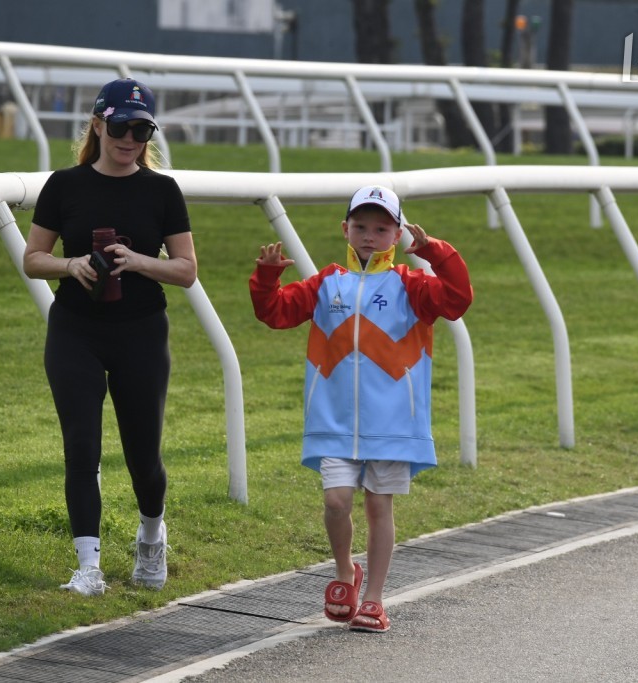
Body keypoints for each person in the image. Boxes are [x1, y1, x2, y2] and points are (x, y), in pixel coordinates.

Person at [249, 185, 473, 632]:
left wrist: (435, 252)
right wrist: (267, 276)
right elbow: (274, 313)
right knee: (336, 502)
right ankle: (344, 572)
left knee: (377, 506)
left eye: (382, 228)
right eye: (361, 226)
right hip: (333, 420)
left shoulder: (412, 285)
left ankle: (374, 599)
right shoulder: (325, 282)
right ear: (345, 229)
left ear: (398, 235)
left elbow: (457, 298)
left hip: (393, 423)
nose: (370, 236)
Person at [23, 78, 197, 596]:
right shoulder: (64, 185)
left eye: (142, 131)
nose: (130, 140)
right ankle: (88, 568)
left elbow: (186, 270)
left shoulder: (162, 190)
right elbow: (33, 259)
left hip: (141, 332)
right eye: (121, 127)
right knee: (81, 447)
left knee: (144, 455)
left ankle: (151, 536)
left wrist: (139, 261)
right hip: (75, 329)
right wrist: (71, 264)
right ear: (98, 125)